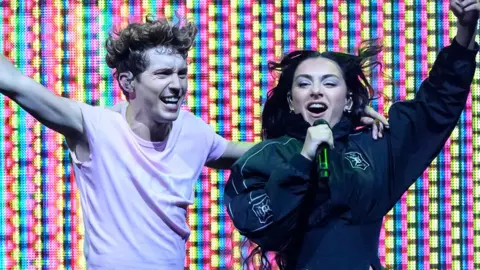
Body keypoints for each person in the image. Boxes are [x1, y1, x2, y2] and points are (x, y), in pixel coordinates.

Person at [0, 15, 388, 269]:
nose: (177, 85)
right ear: (128, 83)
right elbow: (16, 83)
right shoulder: (94, 126)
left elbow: (258, 155)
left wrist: (344, 122)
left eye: (182, 73)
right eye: (163, 74)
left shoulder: (193, 131)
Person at [224, 1, 479, 269]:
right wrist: (303, 160)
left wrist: (466, 31)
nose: (316, 91)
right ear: (290, 101)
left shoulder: (373, 146)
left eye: (329, 83)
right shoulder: (266, 158)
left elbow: (432, 110)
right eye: (304, 83)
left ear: (347, 101)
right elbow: (262, 226)